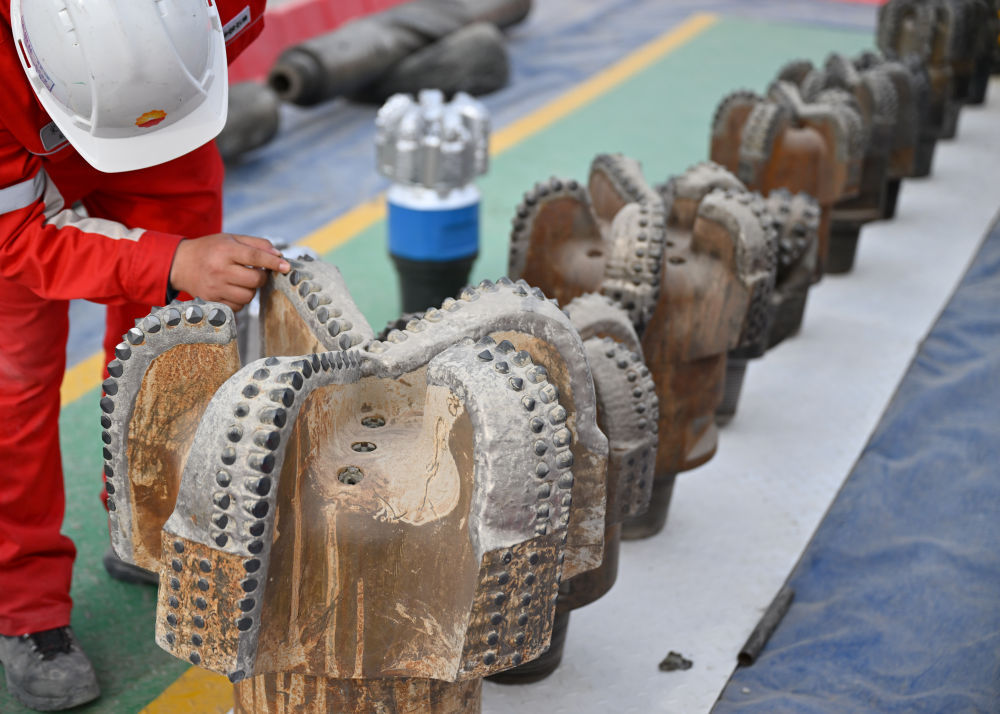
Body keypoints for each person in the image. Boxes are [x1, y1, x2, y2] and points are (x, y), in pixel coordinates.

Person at [0, 1, 282, 710]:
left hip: (157, 122)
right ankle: (26, 608)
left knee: (177, 336)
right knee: (12, 386)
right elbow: (16, 238)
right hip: (11, 163)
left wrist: (176, 264)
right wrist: (169, 257)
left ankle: (155, 529)